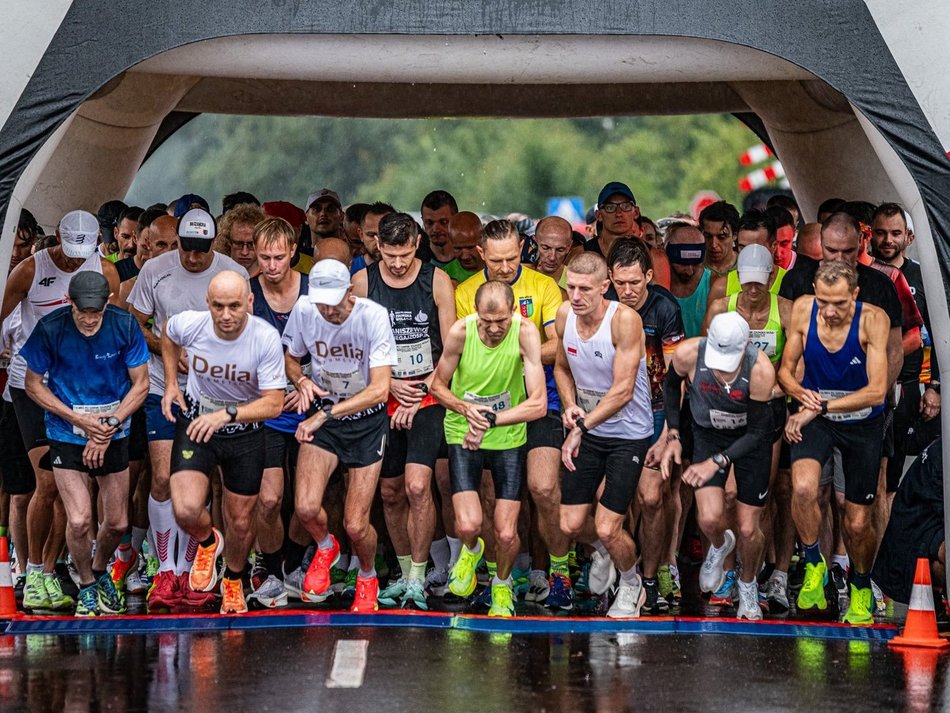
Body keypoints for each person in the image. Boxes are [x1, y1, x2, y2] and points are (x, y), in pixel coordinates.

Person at [128, 208, 249, 612]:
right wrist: (168, 351)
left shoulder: (232, 272)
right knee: (162, 478)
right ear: (176, 240)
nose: (193, 259)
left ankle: (198, 568)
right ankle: (167, 571)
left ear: (215, 244)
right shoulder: (156, 270)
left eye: (202, 251)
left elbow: (245, 329)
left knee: (203, 485)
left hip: (216, 395)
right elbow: (135, 321)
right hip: (165, 388)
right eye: (186, 249)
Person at [1, 209, 120, 613]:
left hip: (79, 389)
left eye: (79, 255)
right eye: (67, 253)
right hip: (31, 382)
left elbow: (115, 327)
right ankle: (32, 569)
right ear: (56, 239)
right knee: (47, 482)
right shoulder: (30, 270)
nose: (72, 262)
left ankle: (51, 570)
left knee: (79, 489)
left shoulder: (105, 270)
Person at [20, 271, 149, 616]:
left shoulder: (123, 324)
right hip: (67, 432)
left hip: (113, 430)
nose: (90, 320)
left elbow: (141, 385)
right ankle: (88, 586)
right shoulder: (52, 327)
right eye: (83, 312)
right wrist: (79, 421)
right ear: (70, 303)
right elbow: (33, 384)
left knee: (118, 522)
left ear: (107, 303)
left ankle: (99, 568)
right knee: (78, 520)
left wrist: (109, 425)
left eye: (97, 312)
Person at [454, 219, 568, 609]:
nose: (505, 267)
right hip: (487, 406)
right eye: (497, 260)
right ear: (482, 254)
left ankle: (559, 571)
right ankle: (492, 575)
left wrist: (515, 354)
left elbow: (558, 343)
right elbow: (465, 348)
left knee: (543, 487)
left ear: (523, 249)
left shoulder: (543, 286)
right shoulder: (467, 292)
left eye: (512, 258)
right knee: (489, 498)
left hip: (540, 402)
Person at [161, 271, 284, 614]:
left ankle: (232, 579)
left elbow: (274, 403)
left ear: (249, 303)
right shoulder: (192, 324)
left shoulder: (264, 338)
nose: (226, 315)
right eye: (218, 306)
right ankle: (208, 541)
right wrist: (172, 382)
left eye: (234, 306)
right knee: (185, 508)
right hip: (198, 422)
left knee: (241, 521)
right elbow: (168, 334)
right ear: (207, 304)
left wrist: (228, 414)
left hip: (243, 432)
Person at [350, 213, 455, 609]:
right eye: (389, 255)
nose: (397, 263)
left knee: (417, 486)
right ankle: (403, 568)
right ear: (378, 247)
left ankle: (418, 577)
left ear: (417, 244)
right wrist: (387, 383)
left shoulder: (436, 280)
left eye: (405, 254)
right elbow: (353, 347)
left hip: (427, 395)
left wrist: (425, 387)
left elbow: (451, 347)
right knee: (391, 492)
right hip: (383, 394)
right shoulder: (363, 283)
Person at [282, 258, 397, 613]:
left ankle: (366, 574)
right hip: (326, 417)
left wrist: (324, 414)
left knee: (356, 523)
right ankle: (325, 545)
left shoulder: (372, 316)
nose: (327, 311)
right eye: (321, 303)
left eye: (333, 303)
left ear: (350, 291)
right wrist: (300, 380)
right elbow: (290, 356)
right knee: (304, 506)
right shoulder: (304, 309)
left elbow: (380, 389)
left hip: (364, 420)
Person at [778, 261, 890, 625]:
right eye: (823, 300)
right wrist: (802, 398)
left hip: (861, 423)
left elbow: (875, 391)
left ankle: (860, 582)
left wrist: (819, 406)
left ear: (855, 296)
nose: (829, 311)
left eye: (839, 303)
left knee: (857, 522)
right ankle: (814, 563)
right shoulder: (803, 310)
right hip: (818, 417)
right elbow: (785, 370)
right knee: (804, 489)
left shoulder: (873, 320)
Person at [431, 280, 546, 617]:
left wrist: (491, 421)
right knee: (468, 525)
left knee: (507, 532)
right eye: (486, 321)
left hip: (506, 434)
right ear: (475, 315)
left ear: (513, 312)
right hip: (463, 431)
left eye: (501, 321)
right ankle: (471, 550)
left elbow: (538, 404)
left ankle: (501, 585)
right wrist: (467, 411)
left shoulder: (525, 332)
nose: (494, 329)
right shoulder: (460, 332)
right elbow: (437, 385)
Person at [555, 253, 654, 618]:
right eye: (571, 288)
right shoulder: (564, 316)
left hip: (628, 433)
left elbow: (623, 390)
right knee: (569, 524)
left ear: (604, 287)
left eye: (584, 289)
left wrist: (581, 428)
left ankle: (631, 583)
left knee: (609, 525)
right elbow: (562, 368)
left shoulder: (624, 321)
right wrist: (570, 407)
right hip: (590, 428)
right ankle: (604, 553)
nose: (576, 296)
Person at [661, 312, 775, 620]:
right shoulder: (688, 353)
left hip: (749, 440)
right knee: (710, 518)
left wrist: (719, 462)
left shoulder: (760, 369)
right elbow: (670, 387)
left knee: (749, 528)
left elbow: (758, 433)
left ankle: (748, 583)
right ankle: (719, 543)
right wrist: (673, 433)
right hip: (708, 433)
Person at [606, 238, 686, 612]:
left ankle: (652, 578)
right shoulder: (600, 305)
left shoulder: (665, 307)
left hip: (654, 410)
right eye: (620, 283)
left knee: (652, 496)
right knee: (611, 500)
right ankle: (624, 574)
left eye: (635, 283)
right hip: (611, 413)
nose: (627, 291)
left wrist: (671, 429)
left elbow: (676, 375)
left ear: (649, 277)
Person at [245, 217, 311, 608]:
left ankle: (295, 563)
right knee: (269, 499)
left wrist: (305, 385)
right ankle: (268, 568)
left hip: (309, 407)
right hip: (266, 409)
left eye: (278, 257)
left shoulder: (314, 293)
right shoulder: (248, 295)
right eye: (264, 258)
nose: (271, 266)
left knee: (307, 500)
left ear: (293, 254)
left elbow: (330, 344)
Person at [870, 203, 940, 495]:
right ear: (870, 235)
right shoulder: (864, 274)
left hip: (908, 387)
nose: (888, 240)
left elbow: (939, 337)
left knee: (892, 476)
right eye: (881, 233)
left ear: (909, 237)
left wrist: (935, 387)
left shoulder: (926, 279)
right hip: (864, 387)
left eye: (895, 233)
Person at [665, 221, 711, 337]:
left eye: (696, 264)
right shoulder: (657, 282)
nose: (690, 271)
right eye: (683, 264)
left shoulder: (713, 285)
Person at [217, 203, 265, 276]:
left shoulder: (271, 278)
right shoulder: (217, 275)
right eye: (238, 244)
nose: (244, 252)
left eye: (251, 244)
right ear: (228, 241)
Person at [699, 201, 740, 277]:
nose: (714, 244)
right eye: (708, 236)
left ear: (735, 235)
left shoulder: (747, 267)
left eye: (722, 237)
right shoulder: (694, 267)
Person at [533, 216, 574, 291]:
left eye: (560, 250)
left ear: (569, 247)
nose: (552, 257)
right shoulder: (519, 275)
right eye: (546, 248)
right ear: (534, 243)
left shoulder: (576, 280)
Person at [443, 211, 483, 284]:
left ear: (482, 240)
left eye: (470, 247)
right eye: (457, 248)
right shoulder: (444, 276)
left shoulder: (498, 268)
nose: (465, 256)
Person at [420, 190, 458, 267]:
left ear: (456, 219)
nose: (436, 229)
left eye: (443, 222)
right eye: (429, 223)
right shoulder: (416, 260)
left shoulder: (470, 257)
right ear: (423, 221)